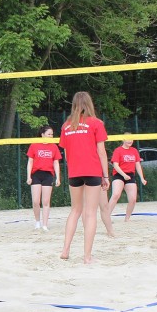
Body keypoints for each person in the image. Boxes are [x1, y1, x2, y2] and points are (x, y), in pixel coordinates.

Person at [58, 91, 113, 264]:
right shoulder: (96, 123)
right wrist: (105, 176)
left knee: (75, 210)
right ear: (89, 104)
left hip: (74, 172)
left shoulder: (66, 126)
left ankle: (65, 250)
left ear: (74, 105)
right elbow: (102, 153)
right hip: (92, 172)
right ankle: (87, 257)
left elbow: (66, 154)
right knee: (90, 213)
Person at [26, 124, 61, 231]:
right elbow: (30, 161)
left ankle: (45, 225)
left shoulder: (54, 147)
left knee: (46, 201)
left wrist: (58, 177)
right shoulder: (34, 145)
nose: (51, 136)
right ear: (42, 135)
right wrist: (28, 176)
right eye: (49, 134)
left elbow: (56, 163)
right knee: (36, 201)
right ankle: (37, 222)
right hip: (36, 174)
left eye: (52, 134)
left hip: (48, 175)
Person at [108, 136, 147, 221]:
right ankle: (106, 217)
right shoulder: (118, 150)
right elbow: (115, 165)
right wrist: (124, 175)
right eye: (128, 139)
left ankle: (127, 219)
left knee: (133, 199)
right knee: (115, 195)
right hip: (119, 174)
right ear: (123, 140)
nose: (130, 141)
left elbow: (137, 165)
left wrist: (142, 178)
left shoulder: (134, 151)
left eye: (131, 139)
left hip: (130, 175)